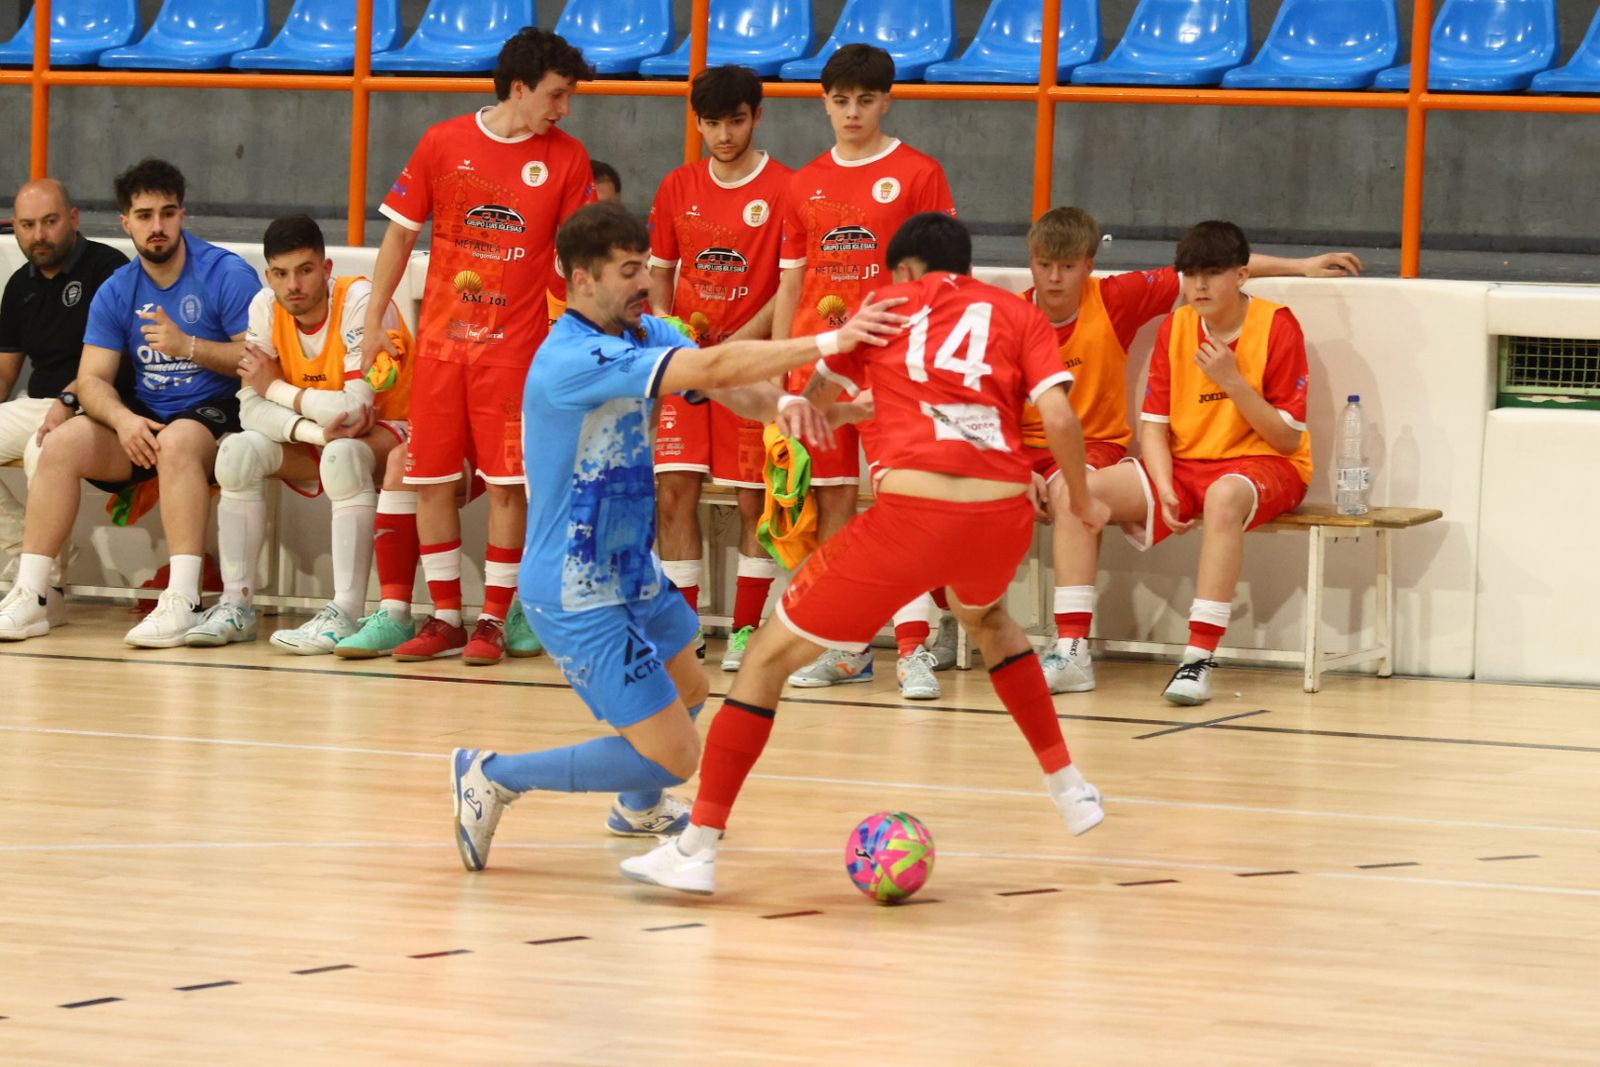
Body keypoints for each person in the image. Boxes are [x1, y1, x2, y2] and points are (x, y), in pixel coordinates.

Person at [619, 214, 1111, 895]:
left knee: (765, 660)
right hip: (1002, 514)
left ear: (905, 271)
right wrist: (1083, 504)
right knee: (990, 619)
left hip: (914, 514)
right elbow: (1058, 418)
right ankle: (1069, 785)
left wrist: (812, 409)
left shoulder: (885, 307)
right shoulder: (1012, 312)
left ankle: (697, 846)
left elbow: (810, 399)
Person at [447, 202, 902, 865]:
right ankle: (492, 774)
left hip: (631, 569)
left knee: (691, 688)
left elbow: (727, 384)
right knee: (677, 754)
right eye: (629, 271)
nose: (645, 284)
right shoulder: (575, 356)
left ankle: (636, 807)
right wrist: (832, 341)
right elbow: (716, 370)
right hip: (575, 588)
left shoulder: (644, 332)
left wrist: (789, 405)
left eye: (646, 268)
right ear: (582, 281)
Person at [1022, 207, 1361, 694]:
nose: (1199, 285)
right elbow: (1154, 428)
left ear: (1240, 276)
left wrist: (1233, 382)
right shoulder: (1175, 326)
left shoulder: (1276, 325)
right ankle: (1072, 650)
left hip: (1268, 465)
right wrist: (1162, 487)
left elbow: (1288, 438)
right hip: (1184, 466)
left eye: (1212, 275)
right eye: (1192, 275)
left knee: (1224, 496)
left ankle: (1198, 658)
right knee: (1079, 490)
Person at [363, 27, 593, 665]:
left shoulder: (568, 158)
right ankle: (443, 617)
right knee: (429, 481)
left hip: (515, 354)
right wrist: (376, 321)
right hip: (440, 349)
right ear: (519, 87)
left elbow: (581, 258)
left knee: (507, 486)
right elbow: (399, 237)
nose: (564, 108)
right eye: (556, 94)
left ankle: (493, 618)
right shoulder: (444, 142)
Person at [770, 42, 961, 699]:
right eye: (840, 100)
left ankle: (914, 650)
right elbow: (791, 285)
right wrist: (783, 368)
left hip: (891, 366)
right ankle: (846, 646)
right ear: (824, 102)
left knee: (900, 504)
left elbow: (941, 281)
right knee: (833, 506)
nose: (852, 112)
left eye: (865, 100)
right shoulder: (803, 183)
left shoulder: (918, 173)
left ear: (887, 101)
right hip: (820, 367)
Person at [0, 159, 257, 645]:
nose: (156, 226)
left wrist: (190, 347)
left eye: (167, 213)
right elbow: (92, 379)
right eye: (144, 215)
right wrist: (121, 421)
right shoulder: (117, 289)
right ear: (126, 222)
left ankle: (183, 600)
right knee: (60, 443)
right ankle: (34, 596)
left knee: (179, 441)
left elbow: (258, 358)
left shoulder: (225, 273)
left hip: (219, 411)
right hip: (146, 416)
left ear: (182, 214)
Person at [181, 215, 413, 652]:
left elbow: (355, 408)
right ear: (268, 275)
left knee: (343, 454)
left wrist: (276, 388)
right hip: (322, 437)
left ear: (326, 270)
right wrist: (310, 427)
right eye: (282, 274)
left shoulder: (360, 300)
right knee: (235, 451)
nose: (294, 285)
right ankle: (237, 605)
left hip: (396, 429)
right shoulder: (265, 306)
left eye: (305, 270)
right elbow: (249, 409)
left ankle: (346, 610)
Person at [647, 64, 792, 672]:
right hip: (686, 367)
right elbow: (658, 274)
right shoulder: (677, 186)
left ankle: (744, 632)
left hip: (746, 367)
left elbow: (791, 285)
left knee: (754, 501)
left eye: (735, 121)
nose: (724, 134)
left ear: (756, 117)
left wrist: (740, 346)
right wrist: (664, 324)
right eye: (712, 123)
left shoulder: (787, 187)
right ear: (698, 124)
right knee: (674, 493)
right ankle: (684, 633)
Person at [0, 178, 128, 600]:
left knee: (47, 447)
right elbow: (4, 374)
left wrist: (70, 401)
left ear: (73, 219)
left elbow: (114, 361)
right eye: (28, 225)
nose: (39, 235)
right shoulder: (19, 286)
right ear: (14, 227)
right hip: (35, 404)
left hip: (95, 406)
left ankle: (43, 588)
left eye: (50, 221)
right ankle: (25, 547)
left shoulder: (110, 269)